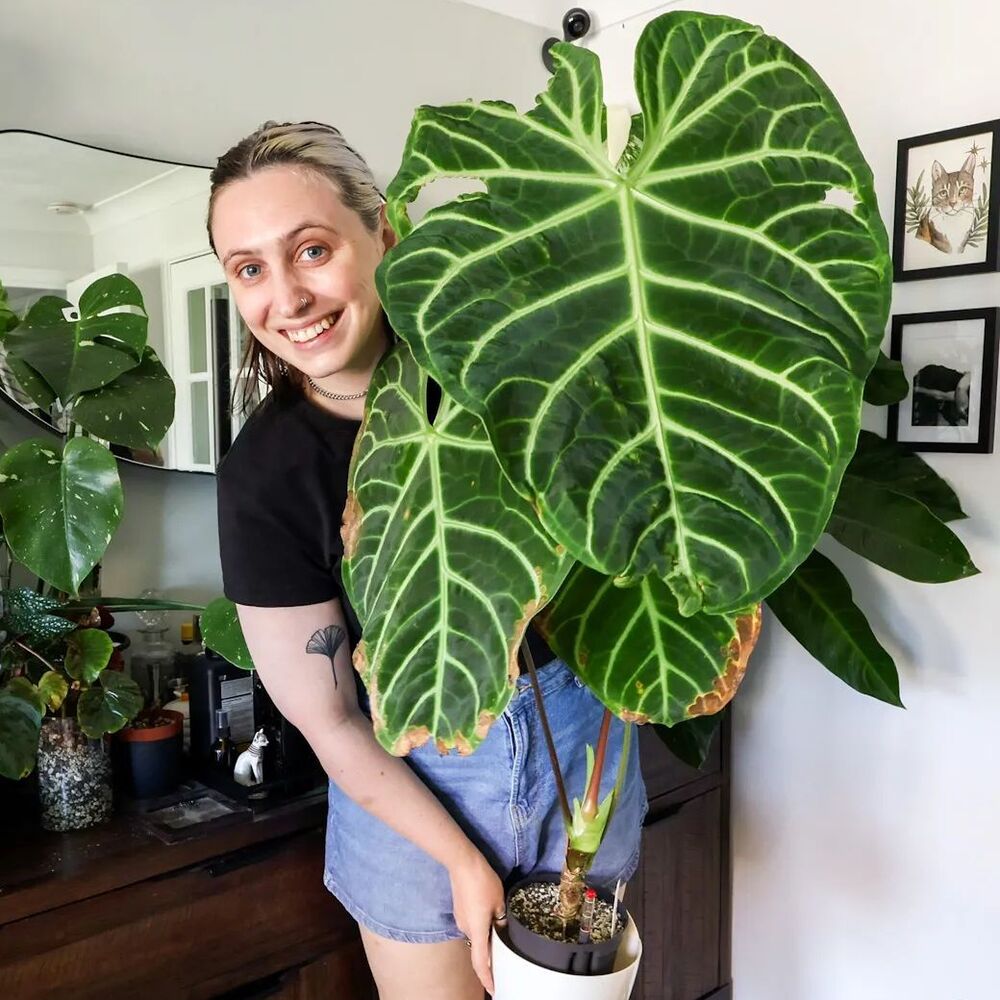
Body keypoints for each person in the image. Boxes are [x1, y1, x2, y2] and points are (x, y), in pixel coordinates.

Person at [209, 121, 646, 1000]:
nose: (287, 297)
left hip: (577, 741)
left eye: (313, 249)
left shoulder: (504, 369)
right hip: (410, 779)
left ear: (385, 236)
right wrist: (456, 857)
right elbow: (330, 720)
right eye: (250, 268)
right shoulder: (267, 472)